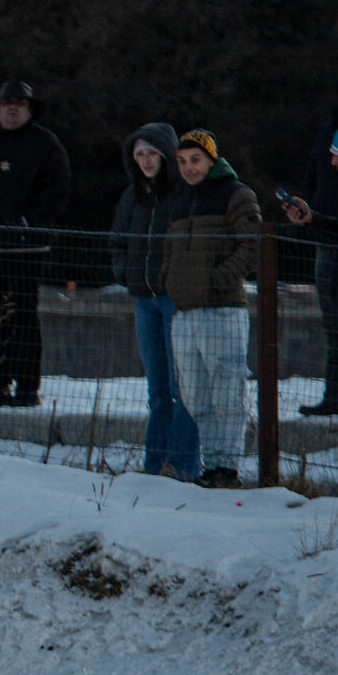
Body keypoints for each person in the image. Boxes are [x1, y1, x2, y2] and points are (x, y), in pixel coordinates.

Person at [159, 130, 261, 487]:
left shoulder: (237, 194)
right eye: (183, 161)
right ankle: (211, 465)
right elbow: (169, 248)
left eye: (196, 160)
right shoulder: (179, 199)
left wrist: (219, 279)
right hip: (184, 312)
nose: (188, 168)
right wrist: (168, 279)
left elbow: (251, 247)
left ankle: (227, 468)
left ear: (212, 160)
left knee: (226, 391)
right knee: (194, 394)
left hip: (222, 309)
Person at [0, 80, 70, 407]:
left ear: (29, 109)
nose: (13, 108)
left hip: (25, 247)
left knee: (23, 315)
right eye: (7, 102)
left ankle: (27, 386)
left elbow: (58, 191)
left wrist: (28, 221)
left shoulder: (45, 145)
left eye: (20, 103)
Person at [112, 123, 199, 476]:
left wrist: (175, 280)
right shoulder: (131, 195)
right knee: (157, 390)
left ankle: (181, 467)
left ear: (166, 155)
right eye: (139, 155)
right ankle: (153, 466)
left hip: (174, 300)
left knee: (184, 389)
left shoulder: (183, 194)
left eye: (152, 153)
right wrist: (124, 273)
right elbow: (117, 240)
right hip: (142, 300)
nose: (146, 161)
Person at [274, 119, 338, 417]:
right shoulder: (329, 123)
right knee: (334, 327)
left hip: (328, 238)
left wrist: (314, 218)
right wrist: (312, 216)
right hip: (328, 242)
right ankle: (335, 395)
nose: (333, 160)